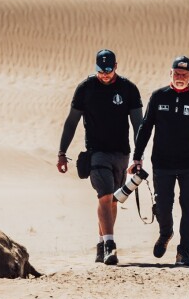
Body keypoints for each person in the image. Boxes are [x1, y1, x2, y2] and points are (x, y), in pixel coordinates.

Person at [57, 48, 143, 265]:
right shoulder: (85, 89)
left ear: (116, 67)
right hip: (96, 153)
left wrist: (138, 156)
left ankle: (100, 244)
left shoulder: (128, 89)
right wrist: (62, 152)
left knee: (113, 201)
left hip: (121, 153)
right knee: (104, 196)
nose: (104, 75)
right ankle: (110, 245)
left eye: (108, 70)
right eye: (100, 70)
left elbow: (138, 125)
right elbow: (71, 122)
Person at [130, 55, 189, 267]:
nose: (180, 77)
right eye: (177, 73)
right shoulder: (158, 97)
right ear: (170, 73)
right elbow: (145, 128)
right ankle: (165, 232)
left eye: (184, 74)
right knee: (162, 206)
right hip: (162, 163)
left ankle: (184, 253)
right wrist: (137, 157)